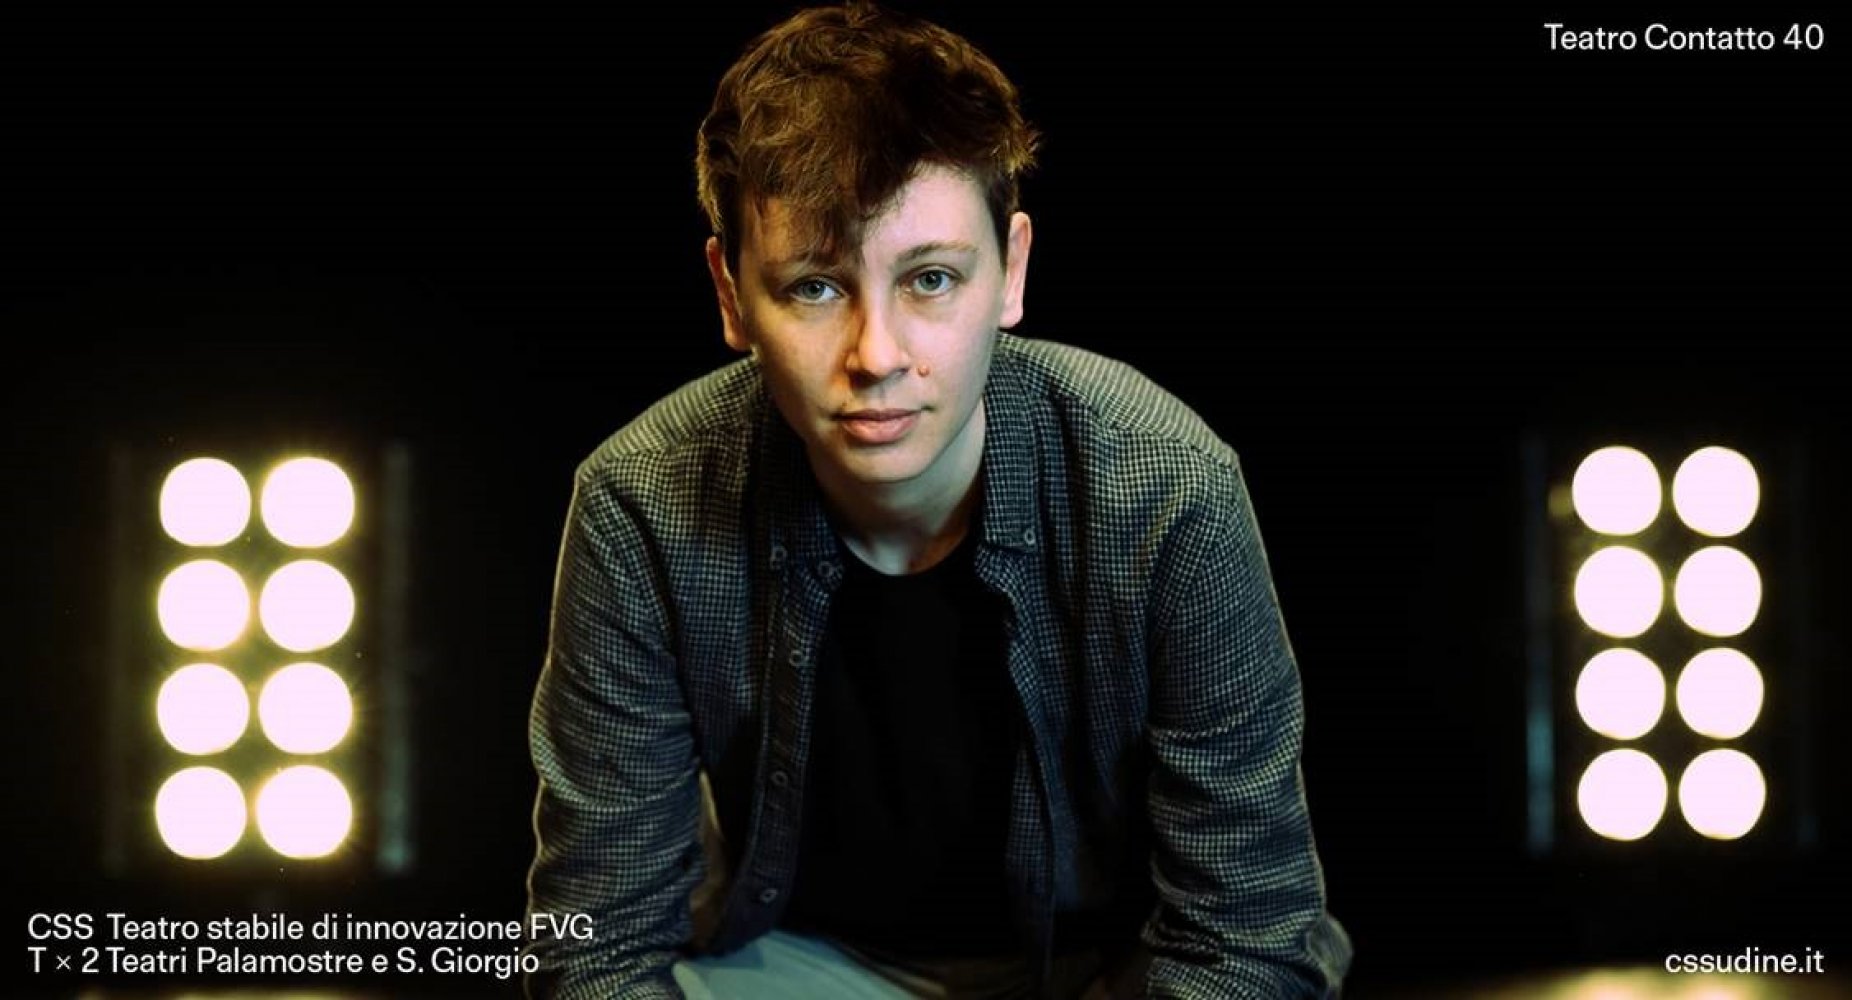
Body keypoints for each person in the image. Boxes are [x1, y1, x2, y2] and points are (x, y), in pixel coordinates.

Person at [525, 3, 1351, 997]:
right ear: (731, 294)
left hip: (1120, 968)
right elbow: (598, 945)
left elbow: (1245, 936)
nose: (876, 355)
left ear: (1012, 272)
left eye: (929, 279)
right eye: (814, 287)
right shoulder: (640, 504)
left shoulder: (1167, 487)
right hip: (809, 970)